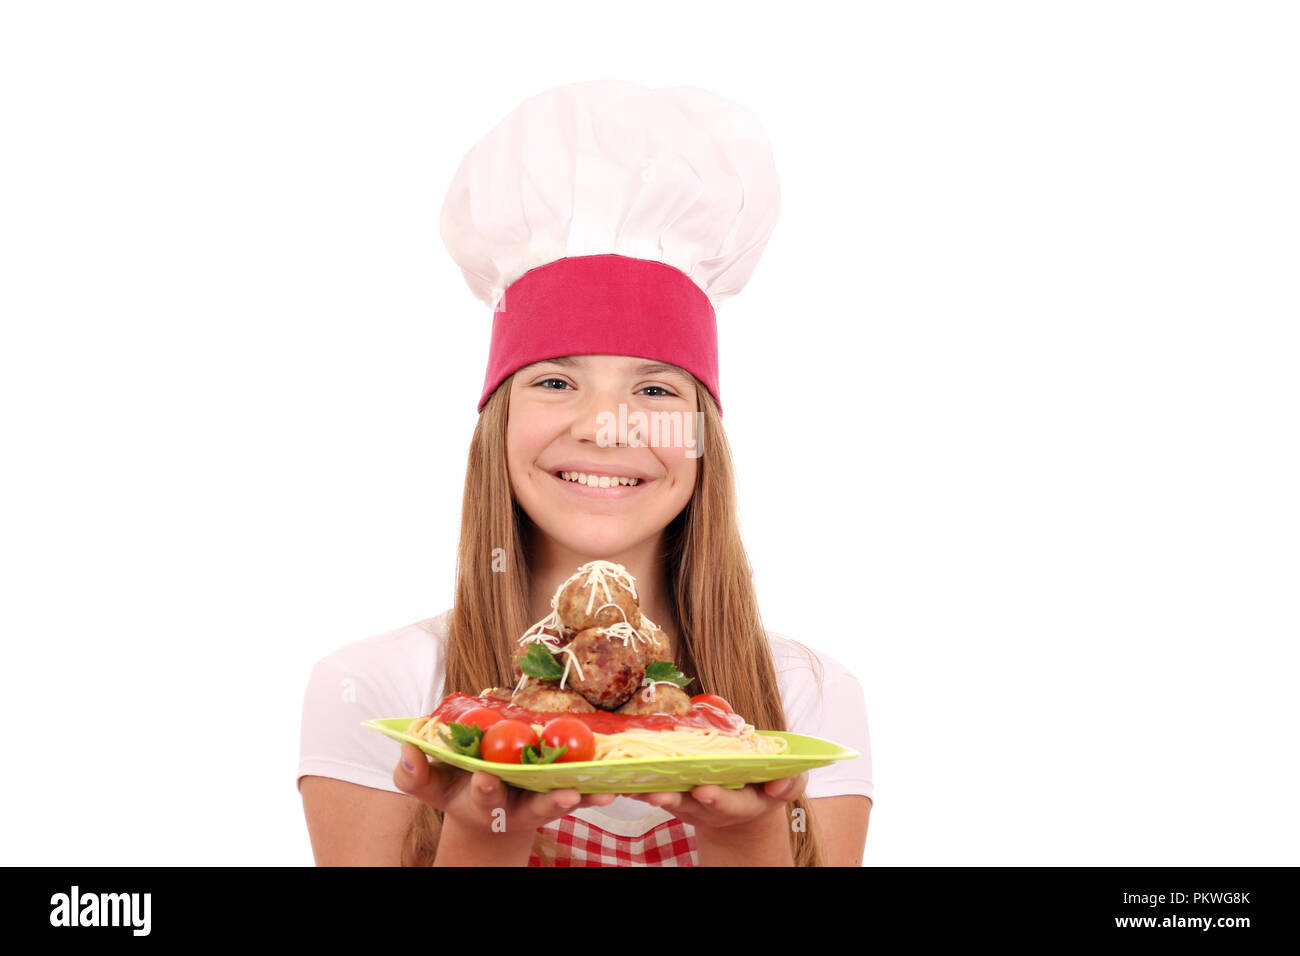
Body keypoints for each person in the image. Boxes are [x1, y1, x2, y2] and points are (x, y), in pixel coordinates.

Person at [297, 80, 873, 866]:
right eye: (557, 382)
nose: (606, 427)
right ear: (498, 422)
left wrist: (747, 835)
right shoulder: (378, 689)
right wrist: (483, 828)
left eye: (655, 389)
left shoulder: (805, 697)